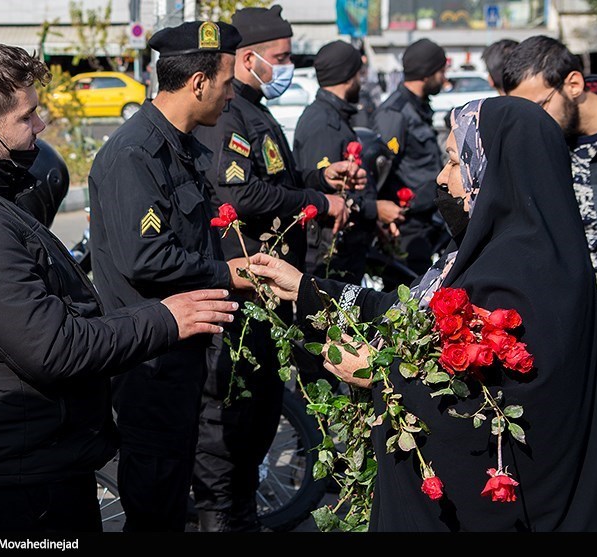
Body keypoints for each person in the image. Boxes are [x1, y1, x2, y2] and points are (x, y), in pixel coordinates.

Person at [0, 39, 236, 534]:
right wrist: (166, 318)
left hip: (34, 460)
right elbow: (52, 347)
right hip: (20, 483)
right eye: (27, 118)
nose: (40, 127)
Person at [250, 96, 597, 531]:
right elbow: (410, 313)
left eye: (455, 162)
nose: (442, 180)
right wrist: (307, 290)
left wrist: (379, 374)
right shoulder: (492, 252)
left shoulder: (523, 274)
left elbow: (503, 402)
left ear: (494, 169)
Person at [191, 4, 366, 531]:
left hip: (268, 284)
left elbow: (274, 177)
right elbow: (237, 190)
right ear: (247, 60)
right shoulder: (234, 115)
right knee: (235, 425)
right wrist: (314, 196)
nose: (287, 69)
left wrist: (318, 176)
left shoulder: (254, 110)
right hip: (244, 288)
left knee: (260, 413)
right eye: (281, 58)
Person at [87, 21, 246, 533]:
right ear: (198, 84)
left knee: (173, 496)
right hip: (148, 360)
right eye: (226, 82)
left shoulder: (181, 146)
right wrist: (229, 273)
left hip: (180, 352)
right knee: (155, 503)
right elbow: (145, 257)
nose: (231, 92)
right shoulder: (135, 154)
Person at [503, 35, 597, 532]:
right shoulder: (542, 150)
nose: (531, 122)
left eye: (539, 106)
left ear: (573, 85)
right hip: (580, 353)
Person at [293, 39, 405, 283]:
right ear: (348, 76)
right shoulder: (323, 123)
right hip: (328, 256)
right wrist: (375, 209)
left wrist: (371, 221)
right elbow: (320, 192)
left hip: (346, 248)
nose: (361, 80)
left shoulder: (336, 117)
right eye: (358, 73)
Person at [372, 38, 448, 275]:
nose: (444, 79)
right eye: (440, 72)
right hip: (407, 224)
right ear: (426, 74)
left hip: (430, 218)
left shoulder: (419, 106)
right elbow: (382, 169)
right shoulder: (395, 112)